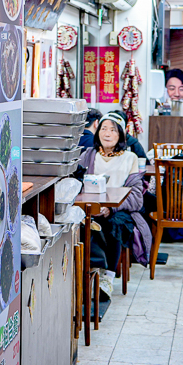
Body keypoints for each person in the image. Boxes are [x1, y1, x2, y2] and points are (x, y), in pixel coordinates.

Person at [75, 115, 152, 291]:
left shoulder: (130, 158)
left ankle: (107, 278)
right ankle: (87, 273)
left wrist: (111, 208)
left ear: (121, 135)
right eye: (103, 129)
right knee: (82, 225)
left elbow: (136, 197)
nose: (107, 134)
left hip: (119, 210)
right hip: (91, 208)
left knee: (113, 224)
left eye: (112, 130)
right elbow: (77, 185)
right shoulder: (88, 155)